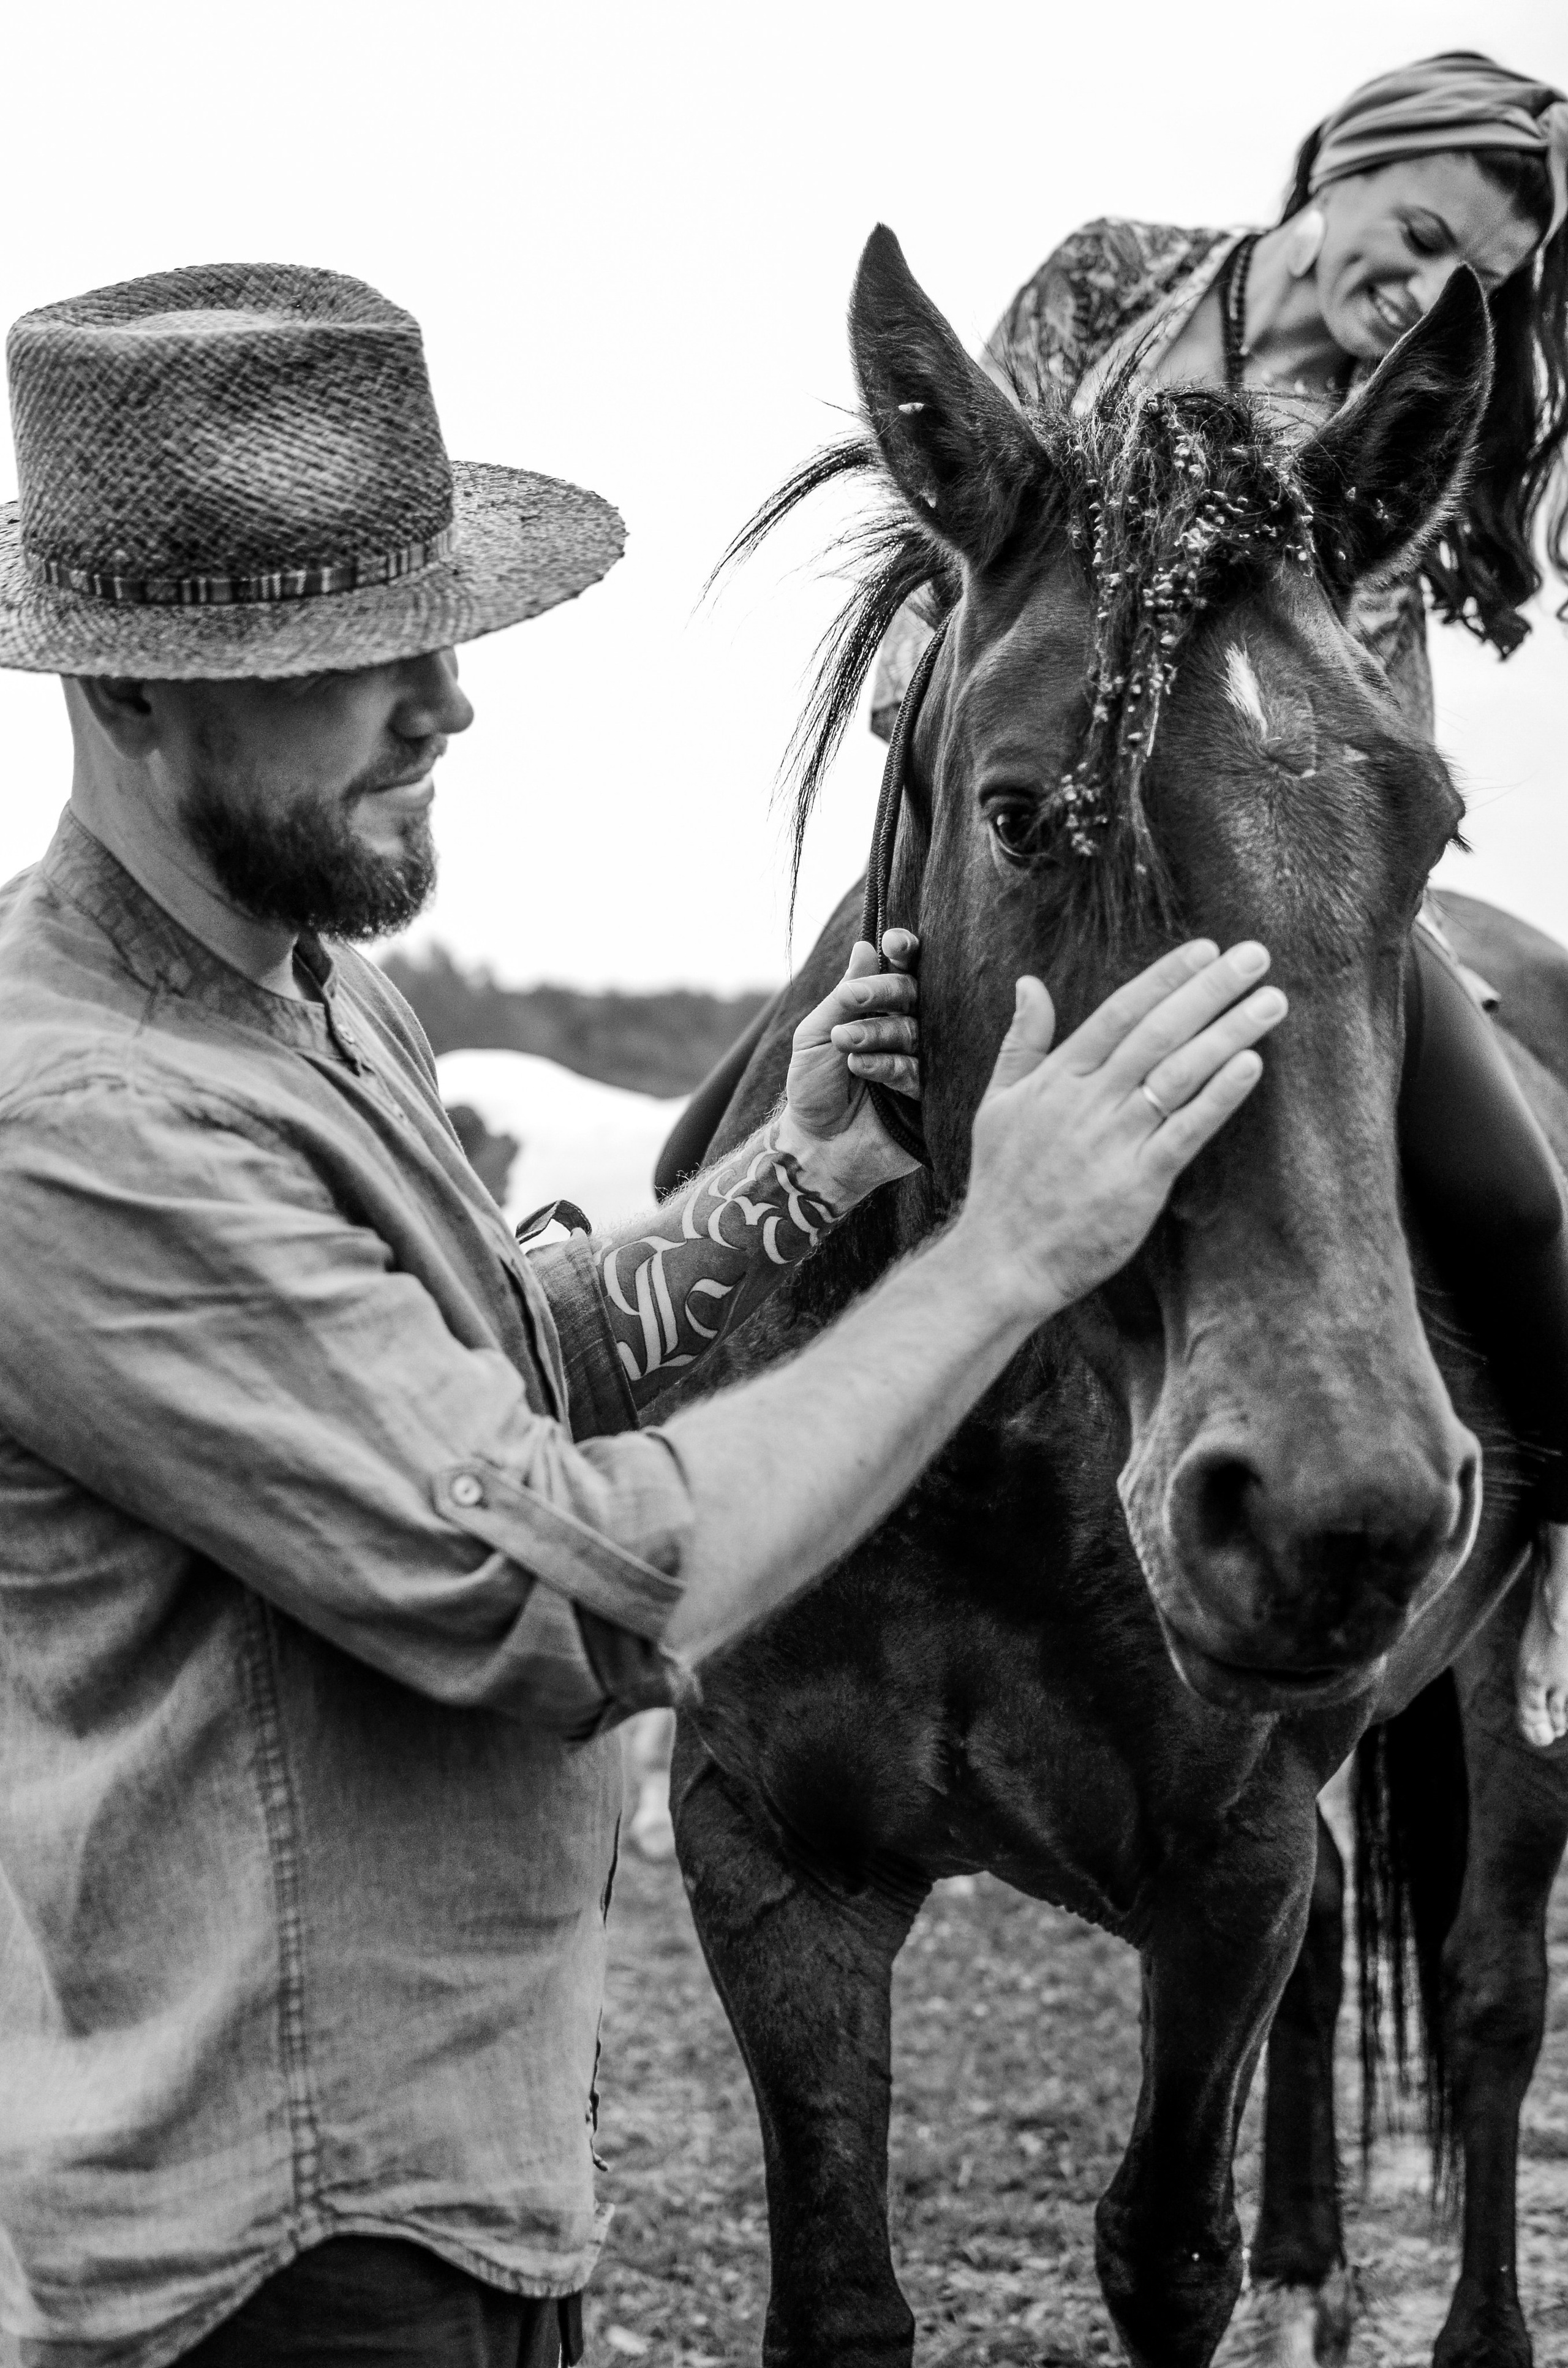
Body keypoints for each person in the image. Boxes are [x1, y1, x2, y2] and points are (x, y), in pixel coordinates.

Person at [0, 265, 1285, 2367]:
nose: (447, 702)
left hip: (443, 2181)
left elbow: (491, 1351)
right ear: (132, 696)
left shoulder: (300, 993)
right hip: (264, 2264)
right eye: (356, 651)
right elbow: (555, 1597)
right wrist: (1001, 1255)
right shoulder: (83, 1127)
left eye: (441, 626)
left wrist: (805, 1174)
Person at [871, 51, 1568, 1752]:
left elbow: (1388, 666)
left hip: (1298, 835)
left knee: (1526, 1199)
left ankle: (1552, 1539)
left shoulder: (1406, 398)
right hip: (1026, 807)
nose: (1420, 290)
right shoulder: (1115, 275)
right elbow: (969, 530)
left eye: (1469, 281)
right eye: (1412, 233)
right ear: (1327, 169)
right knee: (746, 1125)